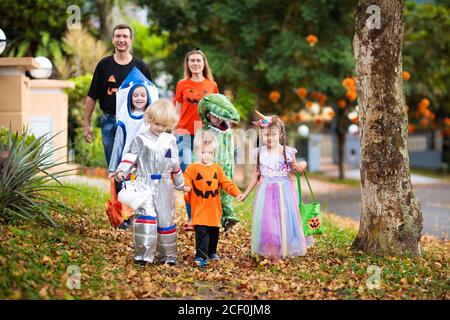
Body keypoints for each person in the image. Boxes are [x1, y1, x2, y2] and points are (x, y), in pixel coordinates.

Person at [115, 99, 184, 266]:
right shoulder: (140, 139)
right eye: (156, 124)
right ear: (149, 119)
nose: (159, 128)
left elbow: (174, 163)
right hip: (144, 182)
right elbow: (130, 157)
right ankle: (143, 256)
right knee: (146, 216)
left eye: (163, 125)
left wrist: (180, 183)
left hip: (165, 184)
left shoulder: (169, 140)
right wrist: (122, 170)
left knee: (166, 219)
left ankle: (168, 256)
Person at [240, 111, 311, 260]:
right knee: (269, 221)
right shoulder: (260, 153)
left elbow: (295, 167)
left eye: (273, 134)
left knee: (285, 219)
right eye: (266, 135)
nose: (269, 138)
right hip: (266, 192)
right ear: (261, 135)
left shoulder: (287, 151)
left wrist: (303, 164)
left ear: (279, 134)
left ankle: (285, 248)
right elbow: (256, 176)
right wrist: (245, 194)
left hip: (284, 191)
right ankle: (272, 249)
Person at [84, 24, 153, 166]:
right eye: (118, 36)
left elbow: (151, 97)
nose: (121, 39)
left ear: (130, 40)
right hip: (110, 120)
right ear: (113, 39)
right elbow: (92, 96)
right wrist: (86, 124)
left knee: (133, 162)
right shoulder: (104, 65)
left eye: (125, 36)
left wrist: (151, 123)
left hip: (134, 121)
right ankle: (115, 188)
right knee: (113, 164)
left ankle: (130, 189)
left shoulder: (140, 67)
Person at [183, 130, 244, 267]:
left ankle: (212, 252)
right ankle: (201, 255)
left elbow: (226, 182)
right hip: (199, 208)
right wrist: (186, 186)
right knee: (202, 233)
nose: (207, 156)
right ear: (198, 152)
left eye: (211, 153)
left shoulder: (216, 168)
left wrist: (237, 193)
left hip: (213, 209)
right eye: (204, 152)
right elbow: (186, 178)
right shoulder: (193, 168)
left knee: (213, 232)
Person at [173, 49, 219, 231]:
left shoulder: (212, 85)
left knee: (204, 176)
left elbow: (216, 112)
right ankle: (192, 218)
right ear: (188, 64)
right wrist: (172, 133)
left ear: (203, 63)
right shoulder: (182, 84)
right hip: (183, 133)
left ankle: (206, 217)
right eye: (192, 61)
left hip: (204, 135)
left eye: (198, 61)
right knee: (188, 177)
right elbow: (176, 110)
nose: (195, 64)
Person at [108, 67, 159, 229]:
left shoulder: (152, 121)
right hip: (127, 162)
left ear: (148, 97)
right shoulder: (124, 120)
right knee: (125, 189)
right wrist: (113, 167)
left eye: (142, 95)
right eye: (135, 95)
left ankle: (143, 219)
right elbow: (118, 144)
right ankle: (125, 219)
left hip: (146, 164)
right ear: (130, 97)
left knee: (144, 191)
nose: (139, 98)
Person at [195, 94, 241, 232]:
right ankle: (211, 221)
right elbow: (197, 151)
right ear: (208, 115)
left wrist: (231, 164)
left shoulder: (226, 131)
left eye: (219, 116)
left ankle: (228, 218)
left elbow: (230, 149)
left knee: (226, 195)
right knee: (211, 197)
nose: (218, 119)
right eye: (215, 116)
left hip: (226, 167)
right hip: (210, 169)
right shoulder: (203, 131)